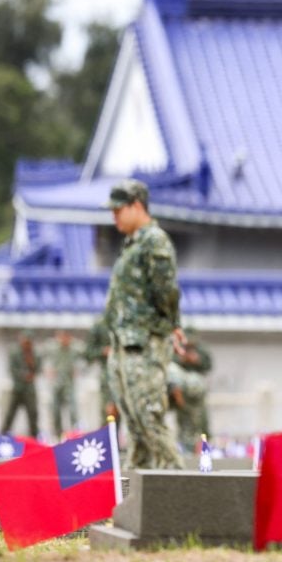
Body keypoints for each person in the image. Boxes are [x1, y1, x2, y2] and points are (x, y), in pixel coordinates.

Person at [102, 179, 185, 469]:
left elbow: (166, 290)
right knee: (135, 423)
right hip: (125, 341)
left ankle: (179, 483)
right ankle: (133, 490)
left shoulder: (154, 240)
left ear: (137, 205)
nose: (114, 216)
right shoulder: (132, 243)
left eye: (118, 209)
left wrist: (171, 323)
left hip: (145, 342)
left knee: (148, 414)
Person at [167, 329, 212, 451]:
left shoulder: (201, 350)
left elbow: (208, 365)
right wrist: (182, 359)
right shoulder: (175, 350)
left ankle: (195, 446)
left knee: (198, 422)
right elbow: (169, 364)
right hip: (174, 389)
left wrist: (197, 360)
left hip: (194, 392)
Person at [2, 330, 40, 437]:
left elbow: (37, 369)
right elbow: (12, 369)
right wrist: (23, 376)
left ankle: (34, 436)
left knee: (33, 414)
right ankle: (3, 435)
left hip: (29, 390)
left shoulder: (34, 354)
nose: (26, 344)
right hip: (18, 388)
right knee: (10, 414)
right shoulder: (15, 353)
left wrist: (30, 361)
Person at [46, 329, 83, 438]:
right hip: (57, 384)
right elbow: (44, 359)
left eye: (66, 338)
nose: (64, 340)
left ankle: (75, 433)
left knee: (73, 410)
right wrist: (48, 370)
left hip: (69, 384)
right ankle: (57, 434)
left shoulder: (74, 349)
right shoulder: (53, 348)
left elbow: (85, 357)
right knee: (55, 410)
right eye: (61, 337)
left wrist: (78, 370)